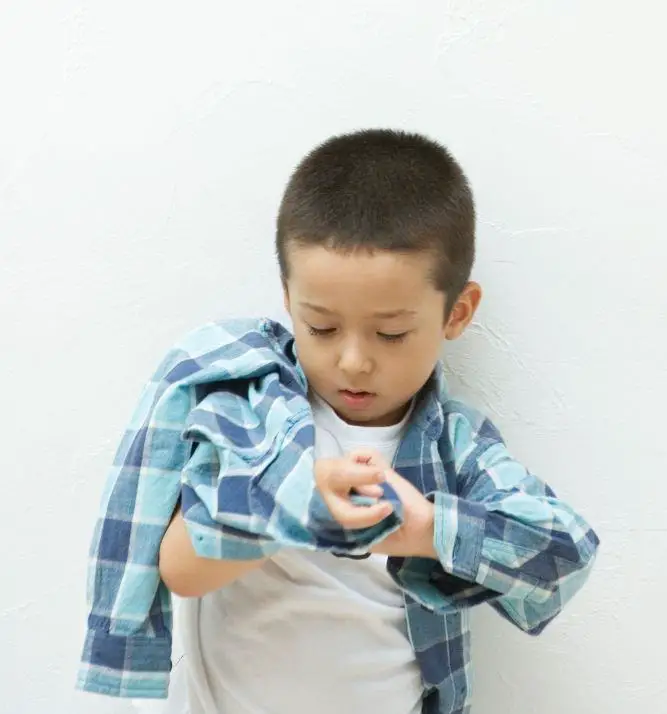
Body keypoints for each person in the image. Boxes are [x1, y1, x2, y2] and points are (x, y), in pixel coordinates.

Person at [86, 129, 599, 714]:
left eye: (390, 333)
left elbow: (563, 551)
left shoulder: (458, 446)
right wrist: (300, 509)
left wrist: (427, 529)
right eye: (322, 328)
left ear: (456, 313)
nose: (353, 360)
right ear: (288, 299)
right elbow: (181, 568)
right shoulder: (251, 413)